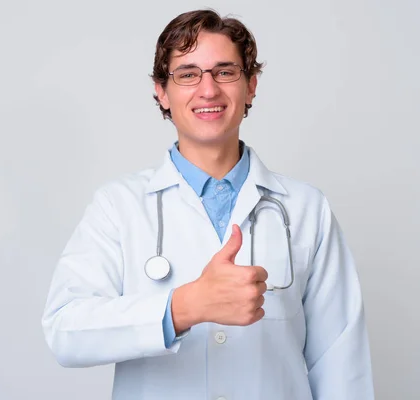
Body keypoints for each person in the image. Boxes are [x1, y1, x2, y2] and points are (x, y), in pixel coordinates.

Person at [41, 9, 374, 400]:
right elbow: (65, 332)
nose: (208, 89)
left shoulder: (306, 208)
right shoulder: (118, 206)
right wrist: (183, 307)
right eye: (187, 74)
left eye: (225, 71)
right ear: (161, 91)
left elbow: (341, 361)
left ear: (250, 86)